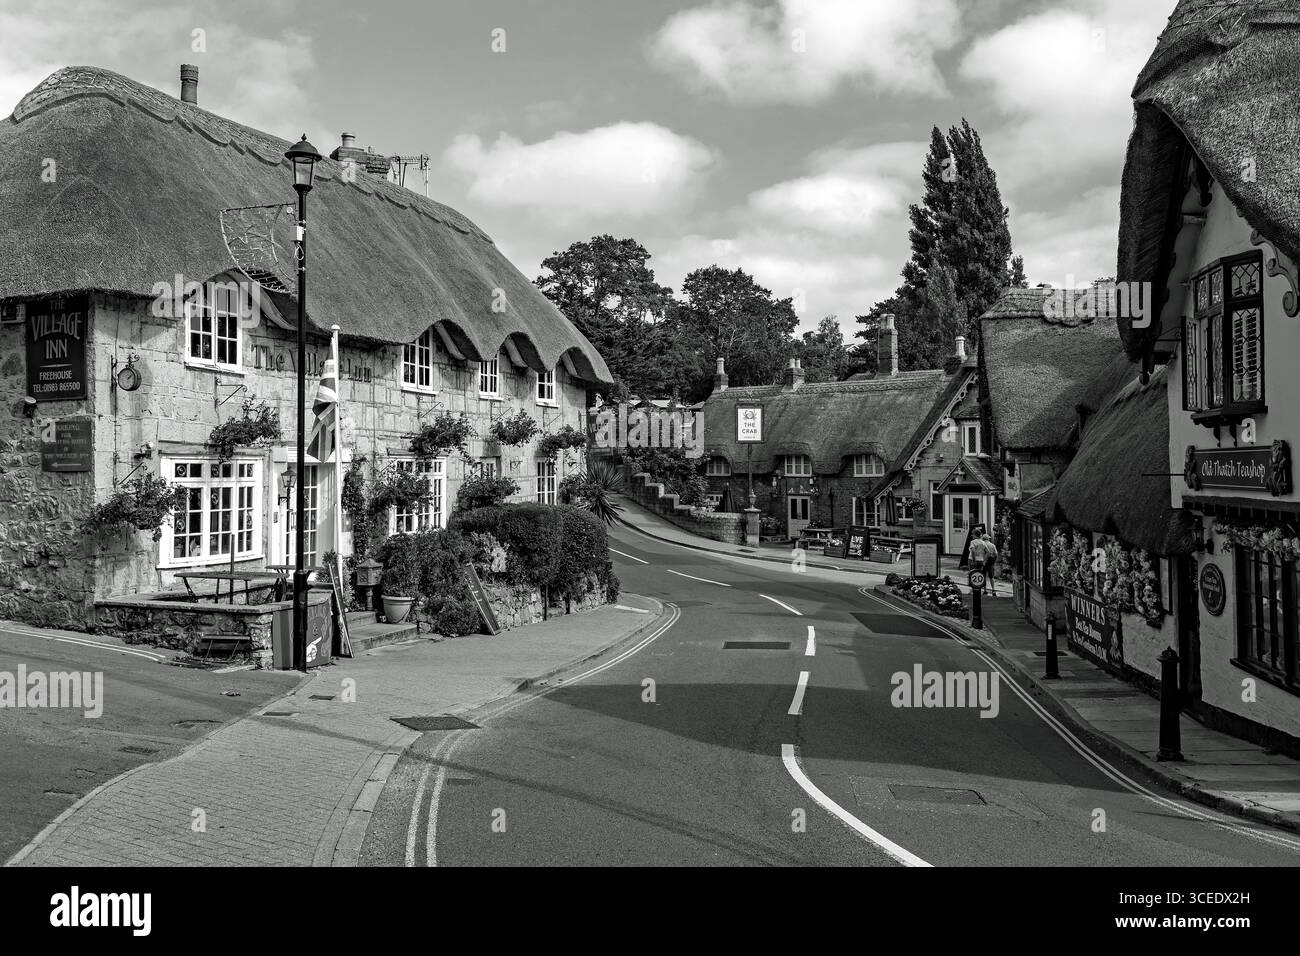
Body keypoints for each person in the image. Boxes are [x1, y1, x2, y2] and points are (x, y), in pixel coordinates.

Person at [980, 531, 999, 596]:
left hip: (983, 561)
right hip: (991, 561)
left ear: (983, 539)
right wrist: (994, 561)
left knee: (983, 576)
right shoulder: (992, 545)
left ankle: (985, 590)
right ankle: (993, 590)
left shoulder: (981, 545)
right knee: (991, 576)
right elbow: (996, 554)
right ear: (988, 539)